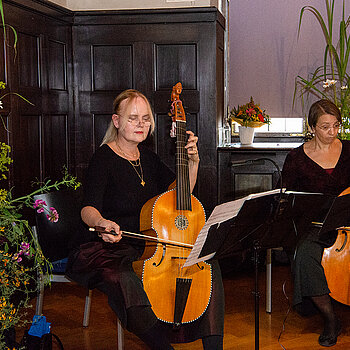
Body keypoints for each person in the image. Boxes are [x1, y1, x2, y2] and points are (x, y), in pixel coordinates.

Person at [66, 89, 224, 349]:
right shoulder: (103, 158)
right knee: (124, 277)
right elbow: (87, 209)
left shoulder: (147, 157)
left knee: (208, 264)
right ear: (116, 121)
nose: (141, 124)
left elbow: (178, 195)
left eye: (146, 118)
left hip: (150, 243)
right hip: (110, 243)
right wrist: (102, 223)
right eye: (133, 118)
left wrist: (193, 162)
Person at [282, 99, 350, 347]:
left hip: (348, 220)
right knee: (305, 254)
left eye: (336, 125)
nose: (332, 132)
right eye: (325, 127)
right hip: (316, 224)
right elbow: (287, 200)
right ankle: (330, 318)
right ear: (311, 128)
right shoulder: (296, 159)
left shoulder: (349, 149)